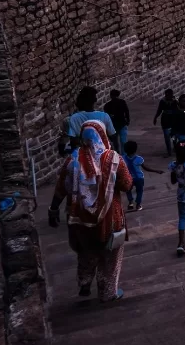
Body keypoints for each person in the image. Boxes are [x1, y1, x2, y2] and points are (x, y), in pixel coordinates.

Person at [47, 119, 131, 302]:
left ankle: (84, 283)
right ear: (102, 135)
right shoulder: (113, 159)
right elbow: (126, 184)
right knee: (110, 256)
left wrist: (53, 209)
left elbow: (61, 187)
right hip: (110, 217)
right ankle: (108, 292)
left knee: (86, 251)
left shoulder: (72, 160)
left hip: (79, 218)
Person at [58, 87, 116, 158]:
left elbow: (70, 142)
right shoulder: (104, 116)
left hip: (82, 158)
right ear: (95, 100)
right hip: (102, 156)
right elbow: (113, 137)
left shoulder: (71, 119)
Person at [122, 140, 163, 211]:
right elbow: (146, 168)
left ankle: (130, 202)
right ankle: (138, 205)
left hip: (128, 178)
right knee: (139, 191)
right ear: (135, 150)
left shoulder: (123, 158)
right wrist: (156, 171)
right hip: (139, 178)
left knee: (128, 190)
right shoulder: (139, 159)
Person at [103, 89, 130, 154]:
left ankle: (118, 154)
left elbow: (107, 117)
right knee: (123, 141)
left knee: (116, 142)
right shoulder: (122, 102)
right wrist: (128, 120)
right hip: (121, 123)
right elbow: (126, 112)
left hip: (114, 125)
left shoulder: (107, 105)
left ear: (110, 96)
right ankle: (123, 155)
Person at [153, 89, 176, 157]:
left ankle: (175, 147)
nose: (167, 96)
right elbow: (159, 110)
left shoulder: (175, 101)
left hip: (173, 120)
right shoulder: (163, 101)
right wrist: (155, 117)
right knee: (167, 137)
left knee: (174, 136)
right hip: (165, 120)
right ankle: (169, 151)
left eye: (169, 95)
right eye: (167, 95)